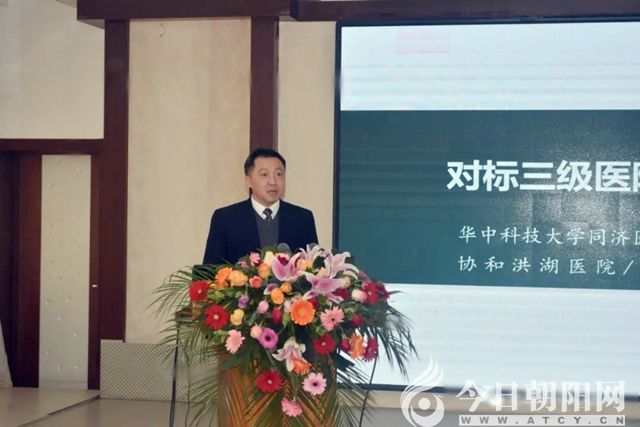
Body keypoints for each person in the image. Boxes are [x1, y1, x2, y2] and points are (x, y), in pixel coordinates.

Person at [202, 148, 318, 265]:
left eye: (279, 174)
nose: (273, 181)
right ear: (249, 181)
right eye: (264, 174)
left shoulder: (302, 219)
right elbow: (209, 270)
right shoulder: (225, 219)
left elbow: (315, 268)